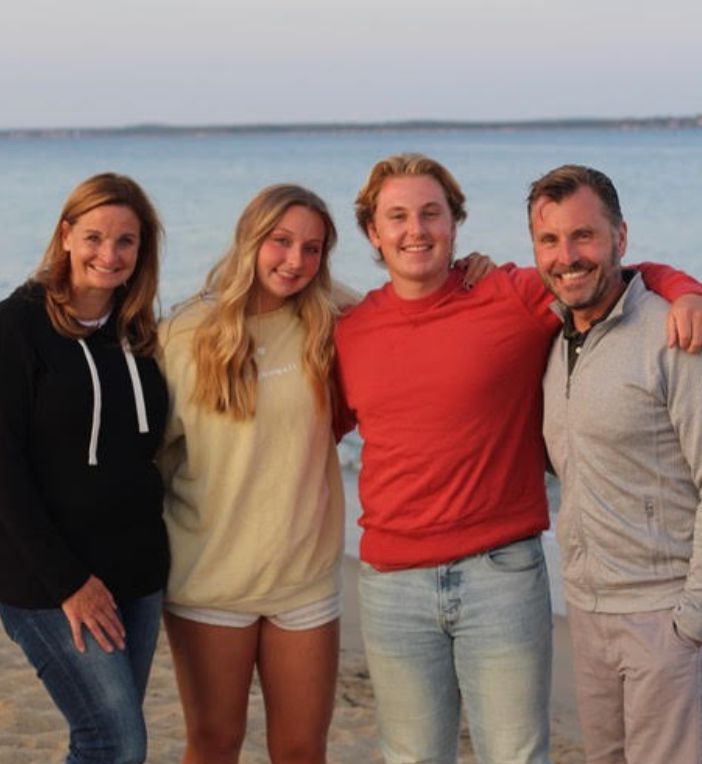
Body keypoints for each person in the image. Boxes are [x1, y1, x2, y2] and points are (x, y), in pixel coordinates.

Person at [333, 153, 702, 764]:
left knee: (516, 755)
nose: (415, 229)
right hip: (394, 585)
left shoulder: (511, 295)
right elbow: (316, 427)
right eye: (396, 216)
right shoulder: (351, 330)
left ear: (456, 223)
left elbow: (613, 277)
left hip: (501, 577)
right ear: (373, 232)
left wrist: (685, 289)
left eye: (431, 213)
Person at [157, 184, 345, 764]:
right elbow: (152, 459)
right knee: (214, 744)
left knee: (301, 749)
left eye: (312, 249)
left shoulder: (331, 323)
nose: (295, 261)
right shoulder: (184, 335)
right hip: (210, 575)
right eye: (281, 242)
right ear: (250, 240)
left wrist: (471, 270)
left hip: (305, 578)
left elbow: (416, 312)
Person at [530, 164, 702, 764]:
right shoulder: (550, 343)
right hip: (586, 607)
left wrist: (693, 618)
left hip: (665, 618)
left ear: (620, 239)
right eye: (549, 241)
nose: (567, 256)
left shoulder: (673, 334)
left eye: (585, 236)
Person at [0, 173, 170, 764]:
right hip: (50, 581)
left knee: (112, 737)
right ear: (66, 235)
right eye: (95, 236)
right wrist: (68, 583)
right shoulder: (16, 325)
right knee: (114, 743)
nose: (109, 254)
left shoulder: (141, 329)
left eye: (127, 241)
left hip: (138, 574)